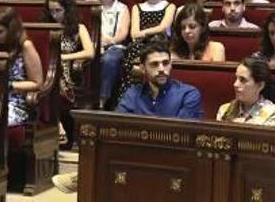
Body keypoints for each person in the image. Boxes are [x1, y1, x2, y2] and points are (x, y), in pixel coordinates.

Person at [53, 38, 201, 194]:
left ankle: (83, 176)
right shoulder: (133, 93)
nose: (162, 69)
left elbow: (184, 133)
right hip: (137, 154)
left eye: (166, 63)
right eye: (154, 64)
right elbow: (116, 125)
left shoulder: (188, 94)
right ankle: (86, 175)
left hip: (178, 157)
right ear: (142, 68)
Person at [118, 0, 177, 101]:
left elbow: (163, 27)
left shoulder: (169, 6)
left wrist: (144, 33)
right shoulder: (137, 7)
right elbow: (134, 33)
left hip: (160, 43)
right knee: (132, 50)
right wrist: (146, 33)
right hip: (140, 45)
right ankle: (129, 96)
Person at [45, 0, 93, 147]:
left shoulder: (78, 28)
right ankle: (58, 126)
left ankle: (60, 127)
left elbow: (90, 52)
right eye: (51, 11)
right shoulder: (45, 27)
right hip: (47, 66)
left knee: (55, 78)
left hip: (66, 67)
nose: (54, 15)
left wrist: (64, 57)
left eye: (58, 10)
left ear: (67, 9)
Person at [0, 8, 43, 127]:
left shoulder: (25, 46)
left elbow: (37, 83)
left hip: (16, 103)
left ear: (11, 30)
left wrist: (10, 85)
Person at [90, 0, 130, 108]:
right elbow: (89, 30)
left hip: (114, 47)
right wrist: (95, 4)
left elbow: (122, 34)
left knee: (109, 58)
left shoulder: (122, 8)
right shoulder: (89, 6)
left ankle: (102, 100)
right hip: (93, 46)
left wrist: (108, 41)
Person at [216, 57, 275, 126]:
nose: (235, 84)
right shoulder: (224, 110)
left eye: (243, 80)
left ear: (260, 85)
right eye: (236, 78)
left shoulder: (273, 112)